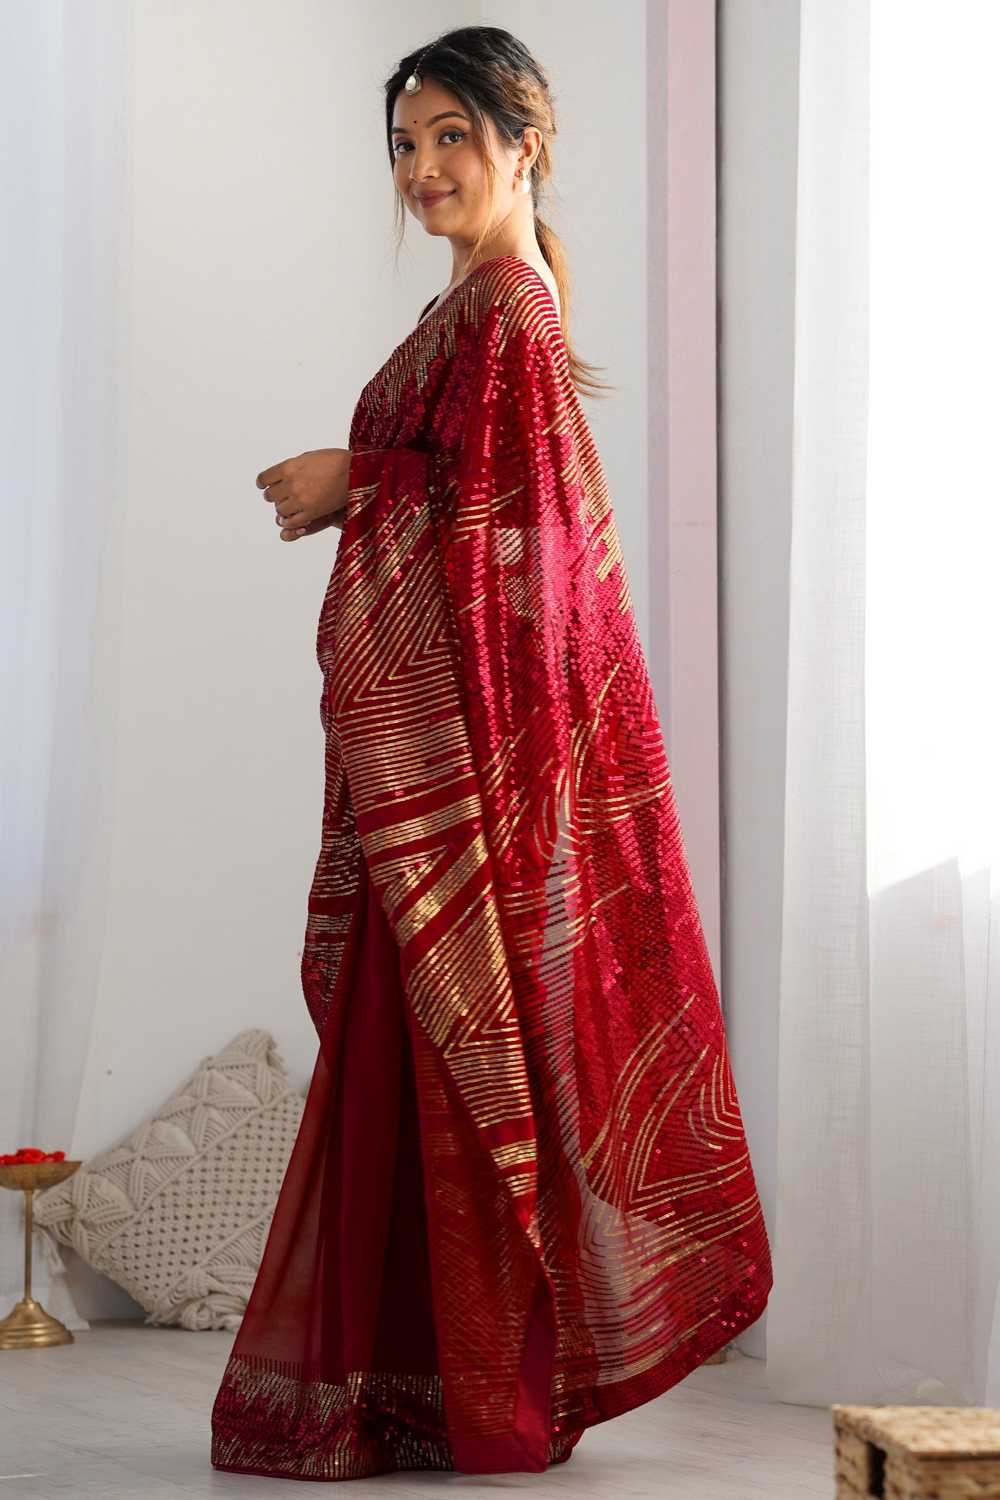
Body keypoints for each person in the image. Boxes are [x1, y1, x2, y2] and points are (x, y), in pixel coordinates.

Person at [210, 25, 772, 1484]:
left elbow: (519, 548)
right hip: (435, 759)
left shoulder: (511, 310)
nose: (423, 168)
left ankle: (476, 1393)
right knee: (421, 1077)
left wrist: (361, 479)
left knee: (456, 1075)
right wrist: (377, 484)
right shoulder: (471, 308)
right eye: (405, 144)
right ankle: (429, 1385)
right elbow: (488, 514)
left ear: (528, 141)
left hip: (467, 771)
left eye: (452, 135)